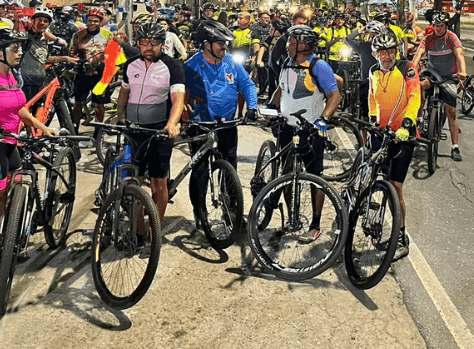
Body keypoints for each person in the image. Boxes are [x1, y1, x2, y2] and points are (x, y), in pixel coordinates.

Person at [267, 25, 340, 243]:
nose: (288, 46)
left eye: (292, 43)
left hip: (311, 130)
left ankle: (315, 224)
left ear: (303, 46)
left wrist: (323, 120)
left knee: (314, 176)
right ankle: (292, 218)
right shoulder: (287, 63)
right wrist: (270, 108)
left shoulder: (319, 66)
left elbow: (334, 96)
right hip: (287, 128)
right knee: (287, 172)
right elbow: (281, 89)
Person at [185, 20, 257, 237]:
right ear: (206, 44)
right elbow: (178, 94)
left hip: (226, 125)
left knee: (230, 167)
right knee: (199, 171)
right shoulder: (191, 65)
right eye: (220, 44)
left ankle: (232, 210)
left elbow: (247, 84)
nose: (224, 48)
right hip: (200, 126)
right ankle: (200, 211)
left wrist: (252, 107)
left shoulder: (230, 63)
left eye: (225, 44)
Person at [116, 22, 185, 221]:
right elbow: (124, 91)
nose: (148, 47)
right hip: (134, 130)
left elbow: (177, 99)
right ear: (138, 43)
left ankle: (157, 227)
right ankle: (137, 228)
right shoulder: (131, 64)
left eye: (154, 42)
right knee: (134, 181)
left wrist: (172, 124)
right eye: (144, 42)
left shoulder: (172, 66)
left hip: (159, 131)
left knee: (158, 182)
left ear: (162, 44)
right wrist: (120, 116)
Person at [368, 31, 420, 261]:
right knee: (371, 174)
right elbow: (372, 97)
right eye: (383, 52)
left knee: (396, 186)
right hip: (382, 132)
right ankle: (370, 217)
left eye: (390, 51)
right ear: (375, 54)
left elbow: (415, 95)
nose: (387, 56)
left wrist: (408, 122)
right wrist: (371, 118)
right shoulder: (373, 72)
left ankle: (400, 236)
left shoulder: (407, 67)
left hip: (403, 134)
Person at [0, 29, 58, 220]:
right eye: (14, 48)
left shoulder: (12, 76)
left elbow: (18, 108)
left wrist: (42, 128)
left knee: (8, 192)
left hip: (10, 143)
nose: (20, 53)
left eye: (20, 48)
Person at [412, 11, 467, 162]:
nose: (439, 29)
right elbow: (418, 54)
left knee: (451, 111)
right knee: (419, 86)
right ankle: (420, 117)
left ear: (446, 26)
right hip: (432, 74)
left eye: (441, 26)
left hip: (449, 77)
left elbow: (460, 55)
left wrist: (463, 71)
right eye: (436, 26)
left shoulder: (451, 37)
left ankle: (455, 146)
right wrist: (412, 69)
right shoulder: (428, 39)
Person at [19, 7, 77, 105]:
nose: (42, 23)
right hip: (26, 83)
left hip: (40, 82)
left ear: (49, 24)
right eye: (39, 20)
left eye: (45, 21)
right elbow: (27, 31)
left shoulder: (43, 40)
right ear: (32, 21)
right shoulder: (26, 37)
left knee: (40, 112)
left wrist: (64, 58)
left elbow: (44, 59)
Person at [68, 8, 114, 128]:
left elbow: (114, 56)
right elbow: (71, 53)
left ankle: (98, 132)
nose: (92, 23)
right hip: (82, 74)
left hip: (101, 75)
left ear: (100, 22)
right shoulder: (78, 35)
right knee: (78, 104)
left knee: (99, 105)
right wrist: (79, 61)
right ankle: (75, 129)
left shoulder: (108, 35)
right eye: (90, 20)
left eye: (95, 21)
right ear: (86, 21)